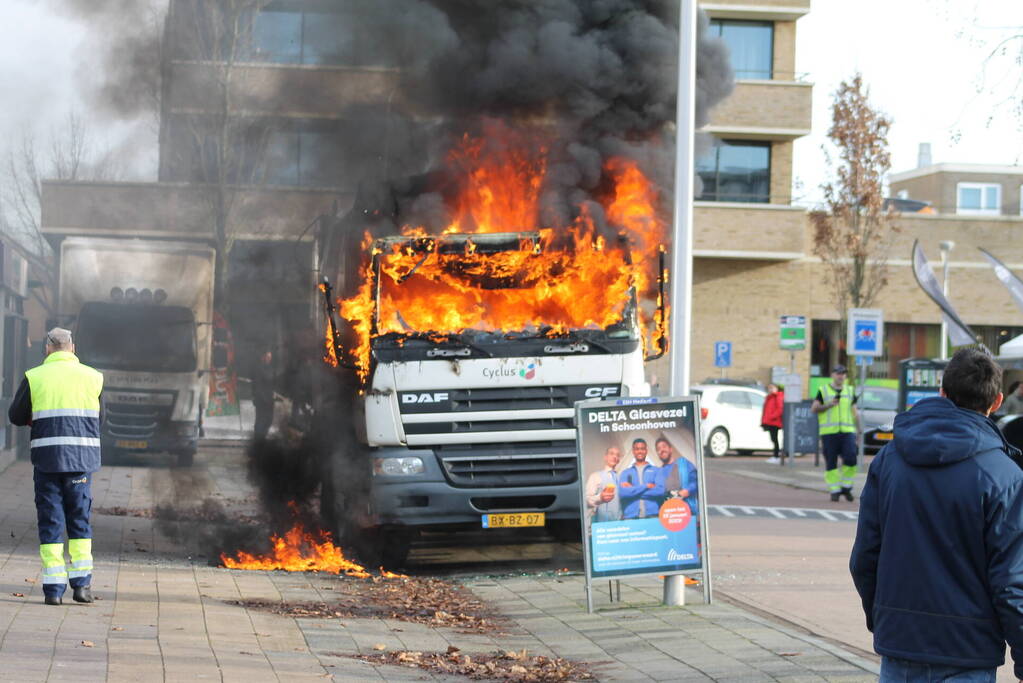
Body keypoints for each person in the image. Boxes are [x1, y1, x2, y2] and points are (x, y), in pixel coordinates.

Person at [850, 348, 1023, 681]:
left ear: (942, 392)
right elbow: (1011, 581)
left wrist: (886, 619)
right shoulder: (1004, 475)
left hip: (900, 643)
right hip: (968, 651)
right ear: (997, 401)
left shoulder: (889, 459)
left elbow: (864, 556)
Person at [8, 328, 103, 606]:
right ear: (72, 348)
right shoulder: (94, 377)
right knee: (79, 520)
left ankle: (52, 591)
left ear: (48, 349)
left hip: (47, 460)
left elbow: (15, 416)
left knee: (51, 520)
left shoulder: (34, 376)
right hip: (81, 462)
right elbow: (101, 419)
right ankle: (82, 587)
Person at [812, 365, 859, 501]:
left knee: (851, 458)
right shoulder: (823, 390)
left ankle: (846, 487)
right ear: (832, 375)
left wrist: (859, 430)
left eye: (843, 373)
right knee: (831, 462)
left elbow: (855, 412)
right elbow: (814, 408)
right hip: (829, 433)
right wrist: (828, 405)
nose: (840, 376)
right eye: (838, 373)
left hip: (847, 431)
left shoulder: (850, 391)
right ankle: (835, 490)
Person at [619, 438, 664, 519]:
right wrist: (646, 486)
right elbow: (623, 493)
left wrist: (632, 491)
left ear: (646, 450)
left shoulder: (657, 470)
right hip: (630, 517)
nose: (640, 451)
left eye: (642, 449)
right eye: (637, 449)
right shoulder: (625, 473)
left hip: (653, 515)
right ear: (633, 451)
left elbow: (660, 491)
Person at [653, 436, 698, 517]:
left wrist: (687, 491)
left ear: (670, 449)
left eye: (664, 446)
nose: (661, 450)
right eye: (658, 449)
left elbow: (697, 481)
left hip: (688, 512)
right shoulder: (658, 472)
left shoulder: (684, 463)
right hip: (668, 515)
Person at [584, 446, 622, 523]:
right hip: (602, 524)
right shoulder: (595, 476)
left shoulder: (621, 478)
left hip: (620, 524)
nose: (615, 456)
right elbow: (585, 501)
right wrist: (600, 498)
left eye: (617, 455)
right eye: (612, 453)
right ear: (605, 457)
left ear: (618, 460)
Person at [251, 348, 275, 439]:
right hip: (261, 398)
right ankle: (258, 438)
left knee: (269, 420)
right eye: (267, 357)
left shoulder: (271, 369)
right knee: (260, 419)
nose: (269, 359)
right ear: (263, 357)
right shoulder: (258, 368)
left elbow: (273, 382)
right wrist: (258, 397)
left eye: (270, 357)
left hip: (269, 399)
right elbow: (256, 385)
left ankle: (262, 436)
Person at [760, 383, 785, 464]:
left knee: (775, 439)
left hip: (775, 421)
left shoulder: (778, 396)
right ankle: (775, 456)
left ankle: (776, 456)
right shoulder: (769, 397)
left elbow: (780, 409)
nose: (770, 389)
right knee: (773, 439)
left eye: (772, 388)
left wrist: (772, 417)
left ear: (777, 388)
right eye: (769, 388)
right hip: (770, 421)